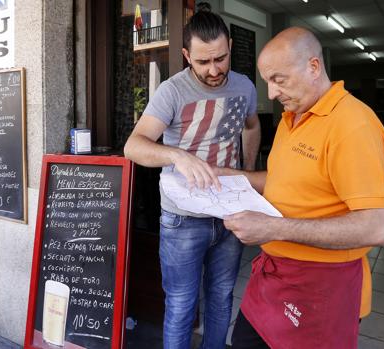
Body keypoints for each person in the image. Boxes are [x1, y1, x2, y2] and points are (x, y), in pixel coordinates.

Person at [215, 27, 384, 349]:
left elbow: (375, 228)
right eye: (267, 81)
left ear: (313, 67)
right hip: (273, 276)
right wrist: (224, 174)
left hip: (322, 285)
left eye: (279, 79)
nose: (270, 93)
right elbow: (284, 181)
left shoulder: (352, 124)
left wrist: (272, 227)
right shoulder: (293, 116)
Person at [123, 3, 261, 348]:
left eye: (221, 58)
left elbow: (253, 125)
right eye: (203, 61)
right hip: (182, 219)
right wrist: (176, 155)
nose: (214, 70)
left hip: (228, 212)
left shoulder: (244, 87)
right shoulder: (172, 91)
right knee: (182, 305)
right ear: (186, 55)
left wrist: (246, 174)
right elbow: (134, 146)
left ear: (229, 46)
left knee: (222, 298)